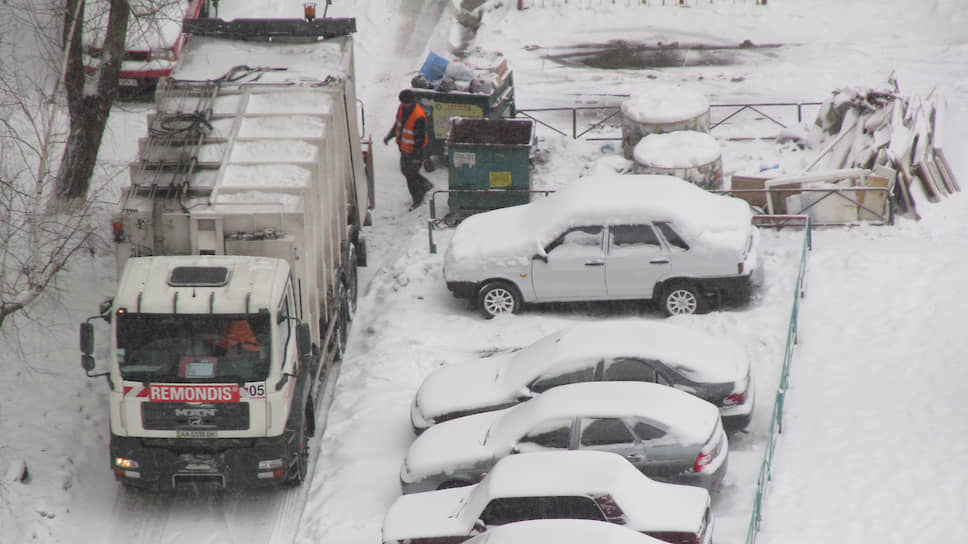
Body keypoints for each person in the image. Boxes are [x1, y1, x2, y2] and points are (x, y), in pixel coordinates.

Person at [384, 89, 434, 210]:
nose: (404, 105)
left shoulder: (418, 116)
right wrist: (390, 136)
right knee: (407, 172)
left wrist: (417, 157)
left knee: (410, 174)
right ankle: (425, 185)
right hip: (404, 149)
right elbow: (398, 124)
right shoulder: (402, 109)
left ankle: (417, 198)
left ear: (412, 101)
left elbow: (420, 139)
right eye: (402, 102)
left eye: (406, 103)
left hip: (416, 151)